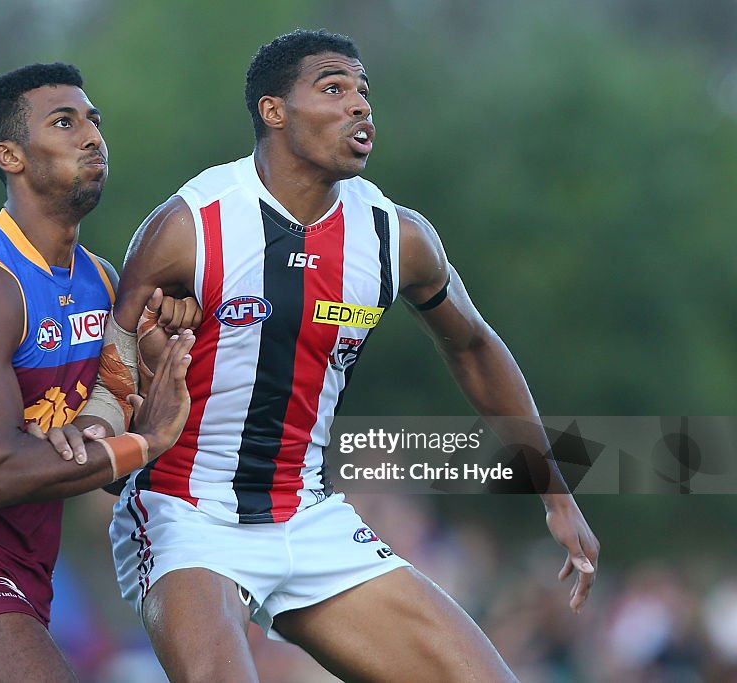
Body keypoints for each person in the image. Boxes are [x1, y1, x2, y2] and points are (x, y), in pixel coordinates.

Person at [107, 30, 600, 682]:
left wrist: (556, 492)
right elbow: (108, 387)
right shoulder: (189, 225)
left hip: (308, 515)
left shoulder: (396, 237)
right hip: (184, 513)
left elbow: (476, 348)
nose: (360, 107)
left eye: (364, 93)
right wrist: (133, 402)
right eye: (334, 89)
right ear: (274, 111)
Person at [0, 62, 198, 683]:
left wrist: (159, 365)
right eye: (64, 122)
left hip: (29, 575)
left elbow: (101, 466)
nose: (92, 137)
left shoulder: (104, 283)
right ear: (10, 156)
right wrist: (145, 438)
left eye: (94, 121)